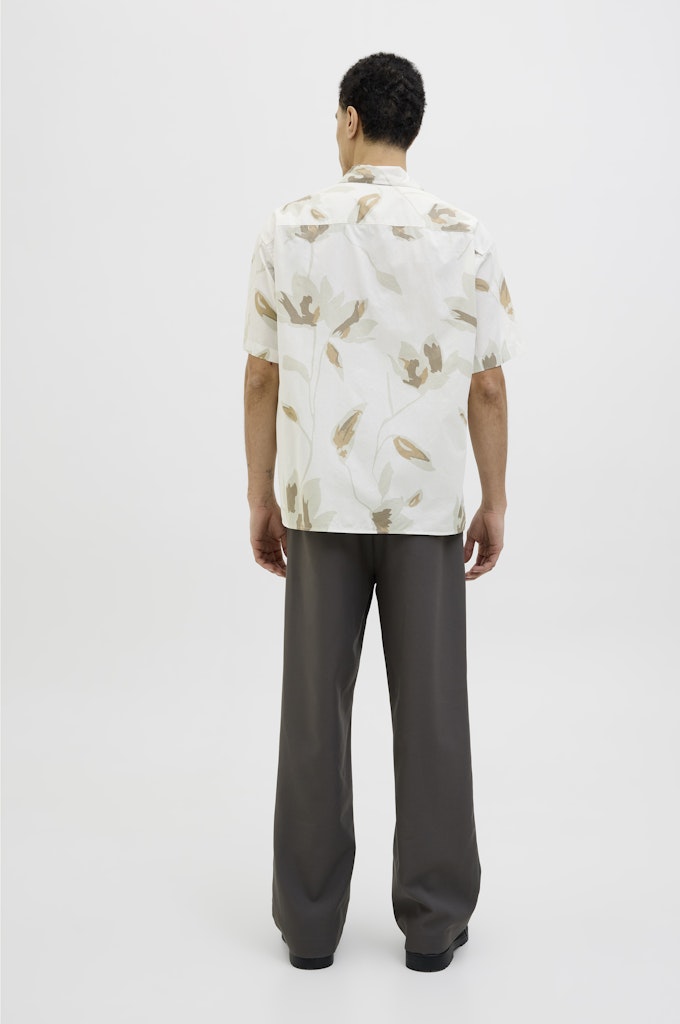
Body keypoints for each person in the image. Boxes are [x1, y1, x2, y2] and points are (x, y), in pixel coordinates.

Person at [242, 52, 523, 972]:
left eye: (337, 119)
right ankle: (434, 927)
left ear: (352, 120)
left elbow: (260, 375)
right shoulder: (464, 235)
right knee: (433, 716)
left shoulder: (289, 226)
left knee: (313, 720)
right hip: (426, 508)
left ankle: (311, 929)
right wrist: (494, 499)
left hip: (319, 505)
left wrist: (261, 492)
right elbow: (487, 386)